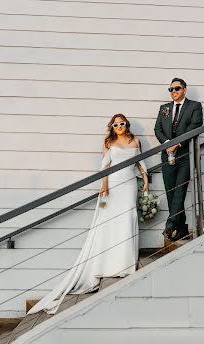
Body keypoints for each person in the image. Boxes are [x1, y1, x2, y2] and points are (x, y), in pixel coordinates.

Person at [28, 114, 149, 315]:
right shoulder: (109, 142)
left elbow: (139, 162)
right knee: (110, 222)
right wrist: (103, 185)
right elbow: (105, 166)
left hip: (129, 185)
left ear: (127, 124)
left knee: (128, 219)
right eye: (115, 124)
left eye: (122, 123)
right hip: (113, 184)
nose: (119, 126)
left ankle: (126, 262)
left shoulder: (135, 140)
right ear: (111, 127)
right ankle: (110, 263)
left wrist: (145, 179)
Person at [154, 78, 203, 242]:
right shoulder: (164, 108)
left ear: (184, 89)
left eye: (177, 88)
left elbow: (195, 125)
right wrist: (167, 144)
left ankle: (170, 225)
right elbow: (158, 129)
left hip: (184, 155)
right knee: (171, 191)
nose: (173, 91)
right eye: (171, 89)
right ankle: (181, 228)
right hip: (166, 154)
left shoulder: (194, 106)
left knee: (180, 189)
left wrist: (177, 143)